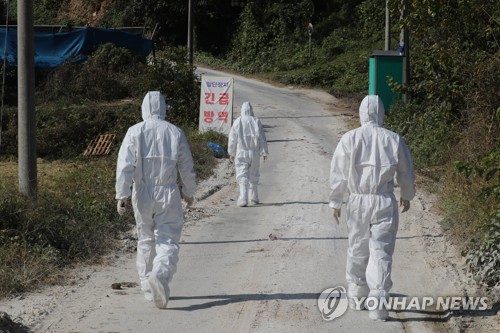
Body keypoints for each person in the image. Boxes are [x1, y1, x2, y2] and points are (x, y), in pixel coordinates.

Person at [329, 95, 415, 321]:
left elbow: (338, 172)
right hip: (384, 200)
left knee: (357, 246)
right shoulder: (394, 139)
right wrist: (406, 195)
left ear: (360, 113)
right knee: (381, 250)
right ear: (381, 113)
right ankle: (378, 304)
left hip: (358, 201)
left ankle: (357, 295)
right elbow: (406, 171)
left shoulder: (349, 138)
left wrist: (336, 201)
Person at [115, 91, 196, 309]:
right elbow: (186, 166)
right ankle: (159, 275)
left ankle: (147, 285)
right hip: (167, 191)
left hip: (141, 192)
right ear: (163, 108)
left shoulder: (134, 132)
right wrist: (189, 191)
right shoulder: (175, 132)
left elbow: (124, 165)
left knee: (145, 238)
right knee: (167, 238)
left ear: (143, 108)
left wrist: (122, 194)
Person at [228, 101, 268, 207]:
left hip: (241, 152)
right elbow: (262, 138)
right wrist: (264, 152)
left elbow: (232, 139)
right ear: (251, 110)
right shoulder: (256, 121)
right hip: (254, 153)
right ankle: (254, 197)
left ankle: (243, 197)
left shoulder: (238, 121)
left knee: (242, 174)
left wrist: (231, 152)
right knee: (254, 173)